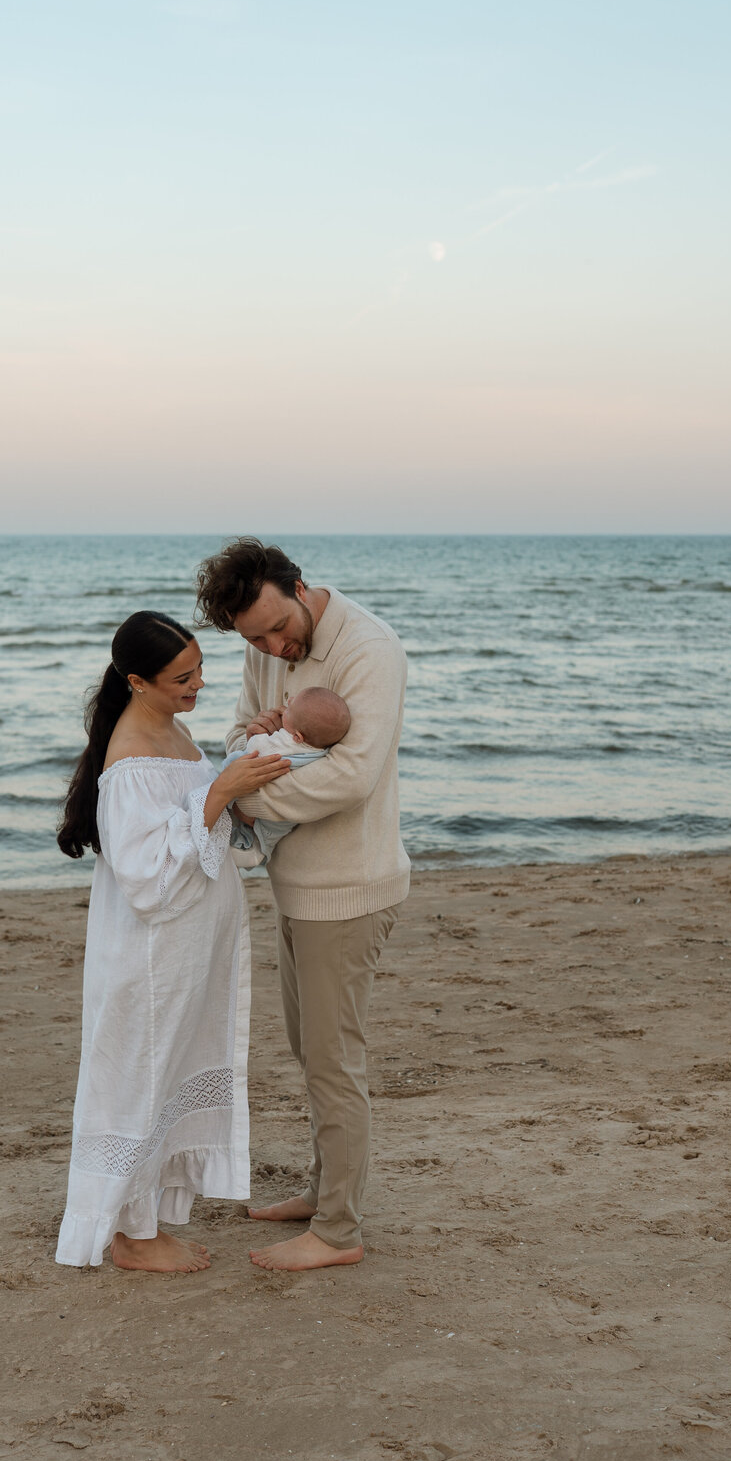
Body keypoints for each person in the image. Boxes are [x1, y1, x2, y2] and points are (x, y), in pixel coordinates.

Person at [195, 539, 409, 1272]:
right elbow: (236, 735)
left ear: (300, 587)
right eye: (255, 640)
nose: (273, 649)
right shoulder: (266, 647)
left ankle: (339, 1232)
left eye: (279, 629)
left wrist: (240, 798)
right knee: (309, 1051)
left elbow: (350, 777)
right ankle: (324, 1193)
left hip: (348, 888)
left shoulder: (369, 649)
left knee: (333, 1062)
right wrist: (251, 748)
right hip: (295, 885)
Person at [54, 610, 290, 1272]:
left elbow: (197, 815)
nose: (199, 685)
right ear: (138, 682)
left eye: (200, 669)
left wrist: (242, 763)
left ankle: (147, 1221)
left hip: (188, 950)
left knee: (168, 1076)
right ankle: (131, 1236)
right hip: (151, 956)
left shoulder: (172, 727)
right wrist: (220, 791)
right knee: (140, 1080)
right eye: (183, 677)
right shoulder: (128, 758)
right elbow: (145, 876)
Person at [227, 687, 353, 865]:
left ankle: (249, 849)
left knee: (257, 832)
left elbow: (255, 747)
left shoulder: (286, 743)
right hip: (287, 814)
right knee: (267, 835)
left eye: (290, 709)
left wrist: (260, 735)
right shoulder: (321, 749)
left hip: (268, 811)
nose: (290, 700)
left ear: (297, 737)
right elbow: (237, 730)